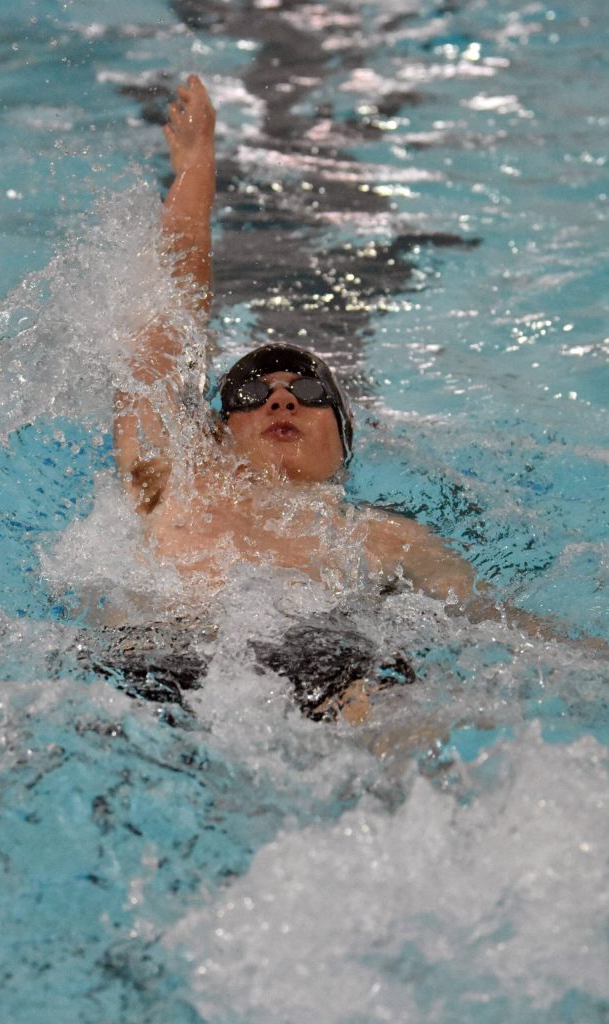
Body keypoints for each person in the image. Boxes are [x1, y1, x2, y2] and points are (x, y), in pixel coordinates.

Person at [107, 75, 563, 724]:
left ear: (344, 440)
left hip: (329, 676)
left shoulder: (382, 538)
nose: (280, 402)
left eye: (309, 391)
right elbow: (166, 328)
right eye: (250, 392)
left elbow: (492, 627)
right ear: (215, 427)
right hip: (160, 675)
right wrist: (196, 174)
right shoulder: (175, 478)